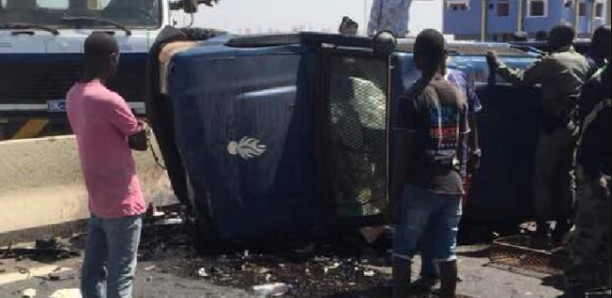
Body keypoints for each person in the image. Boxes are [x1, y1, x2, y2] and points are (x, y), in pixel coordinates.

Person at [486, 23, 590, 245]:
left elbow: (520, 80)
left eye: (551, 35)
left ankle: (542, 226)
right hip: (572, 126)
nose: (547, 38)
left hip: (552, 128)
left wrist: (497, 64)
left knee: (542, 177)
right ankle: (564, 224)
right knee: (566, 177)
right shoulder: (582, 61)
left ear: (559, 37)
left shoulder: (551, 61)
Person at [67, 32, 148, 298]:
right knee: (121, 277)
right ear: (112, 58)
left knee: (92, 276)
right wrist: (143, 128)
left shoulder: (73, 95)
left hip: (98, 203)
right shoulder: (109, 99)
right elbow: (139, 142)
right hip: (123, 204)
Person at [391, 29, 469, 298]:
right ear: (443, 57)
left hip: (419, 186)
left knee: (402, 252)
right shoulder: (458, 96)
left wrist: (394, 194)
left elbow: (403, 153)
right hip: (452, 185)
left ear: (417, 59)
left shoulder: (410, 98)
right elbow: (463, 147)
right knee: (446, 255)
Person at [414, 66, 482, 293]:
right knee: (428, 219)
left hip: (457, 158)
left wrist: (475, 149)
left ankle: (444, 271)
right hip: (432, 161)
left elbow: (472, 114)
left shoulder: (461, 77)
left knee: (450, 219)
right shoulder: (422, 85)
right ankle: (429, 271)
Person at [564, 62, 611, 297]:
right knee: (588, 236)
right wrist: (595, 175)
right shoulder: (599, 83)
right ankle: (576, 288)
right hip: (598, 172)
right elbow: (586, 134)